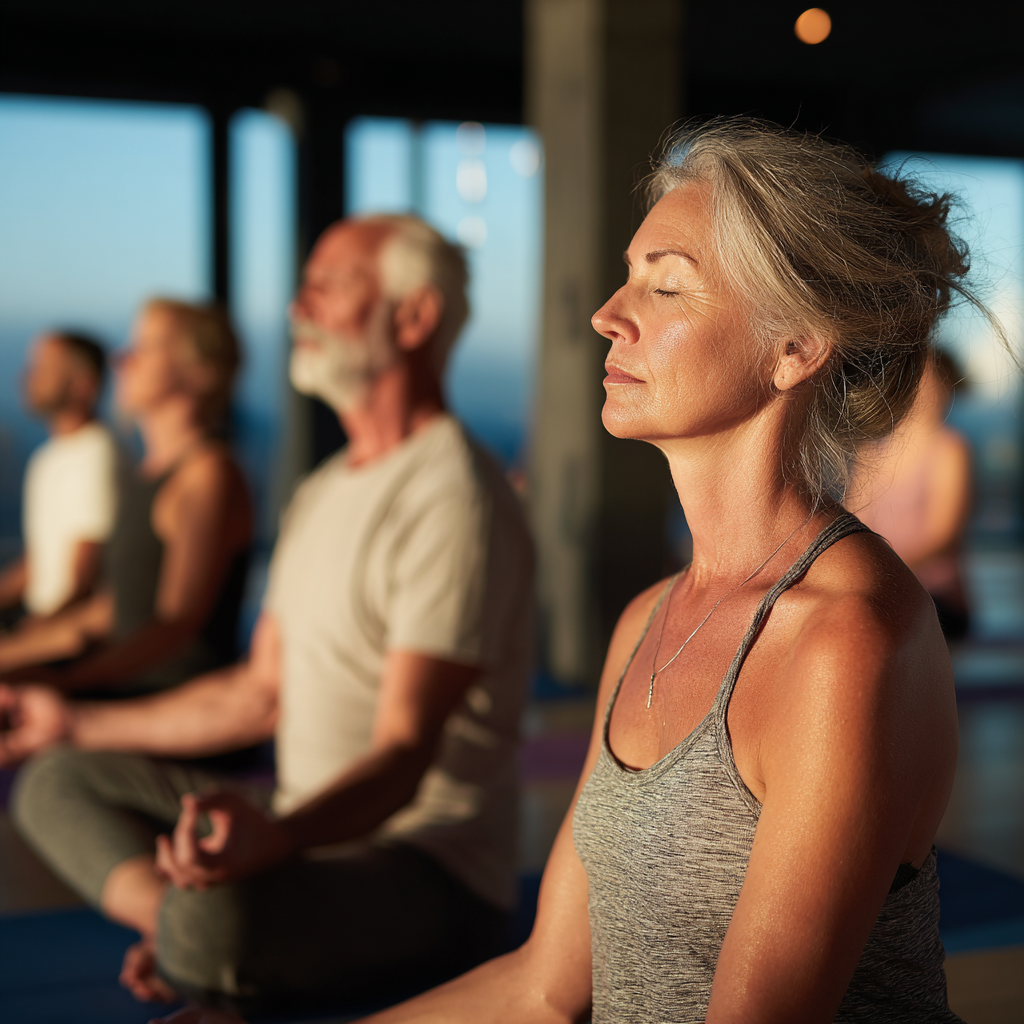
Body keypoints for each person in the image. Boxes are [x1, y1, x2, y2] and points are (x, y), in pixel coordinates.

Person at [177, 119, 985, 1024]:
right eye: (628, 273)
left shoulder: (846, 641)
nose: (608, 312)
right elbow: (543, 986)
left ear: (793, 347)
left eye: (665, 284)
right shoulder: (647, 620)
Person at [2, 214, 535, 1016]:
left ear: (413, 317)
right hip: (297, 831)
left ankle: (198, 939)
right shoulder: (322, 492)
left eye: (330, 283)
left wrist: (275, 841)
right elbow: (255, 694)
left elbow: (401, 753)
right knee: (54, 780)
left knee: (221, 918)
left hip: (425, 869)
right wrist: (72, 721)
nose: (299, 305)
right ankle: (184, 934)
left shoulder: (454, 494)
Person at [0, 300, 253, 693]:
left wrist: (67, 684)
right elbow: (111, 609)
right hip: (128, 693)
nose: (122, 359)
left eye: (146, 346)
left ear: (199, 372)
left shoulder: (206, 474)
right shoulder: (145, 475)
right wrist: (16, 655)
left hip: (169, 715)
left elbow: (175, 626)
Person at [846, 350, 973, 640]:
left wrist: (882, 575)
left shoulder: (950, 449)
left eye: (932, 380)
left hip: (934, 597)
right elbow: (854, 526)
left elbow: (943, 537)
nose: (924, 389)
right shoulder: (871, 452)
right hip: (879, 590)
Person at [0, 331, 116, 627]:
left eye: (43, 370)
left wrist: (25, 640)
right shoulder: (49, 457)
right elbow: (39, 565)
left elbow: (83, 581)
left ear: (83, 385)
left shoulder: (97, 455)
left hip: (68, 632)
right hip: (43, 620)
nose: (27, 379)